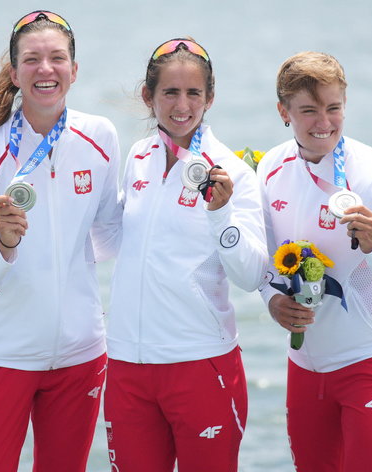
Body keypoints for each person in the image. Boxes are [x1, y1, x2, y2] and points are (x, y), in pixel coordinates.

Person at [0, 10, 122, 471]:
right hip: (0, 358)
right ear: (14, 72)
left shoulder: (101, 136)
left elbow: (108, 237)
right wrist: (4, 247)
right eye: (32, 60)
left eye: (57, 58)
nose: (46, 69)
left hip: (80, 355)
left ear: (74, 69)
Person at [257, 51, 372, 471]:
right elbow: (266, 264)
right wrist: (271, 300)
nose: (324, 123)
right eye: (309, 111)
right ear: (284, 111)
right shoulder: (269, 170)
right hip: (305, 367)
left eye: (334, 109)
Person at [103, 38, 268, 472]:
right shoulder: (137, 157)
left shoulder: (233, 172)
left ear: (210, 97)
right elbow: (115, 242)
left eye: (193, 93)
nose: (182, 105)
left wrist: (221, 213)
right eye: (169, 93)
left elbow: (251, 274)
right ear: (148, 96)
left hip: (200, 365)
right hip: (126, 366)